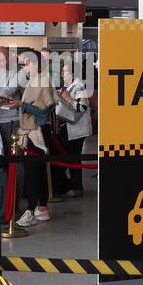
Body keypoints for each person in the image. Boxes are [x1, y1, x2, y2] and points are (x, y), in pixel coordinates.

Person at [16, 50, 55, 227]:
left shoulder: (42, 81)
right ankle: (41, 207)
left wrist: (21, 105)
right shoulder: (35, 81)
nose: (24, 67)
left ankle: (32, 209)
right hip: (34, 130)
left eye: (26, 63)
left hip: (37, 131)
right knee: (37, 172)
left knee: (33, 173)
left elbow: (43, 112)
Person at [55, 57, 91, 198]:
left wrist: (67, 98)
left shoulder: (79, 87)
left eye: (64, 71)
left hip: (76, 130)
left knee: (74, 158)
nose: (62, 74)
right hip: (69, 128)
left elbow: (82, 106)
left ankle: (76, 187)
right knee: (70, 158)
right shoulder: (71, 87)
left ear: (73, 73)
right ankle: (72, 185)